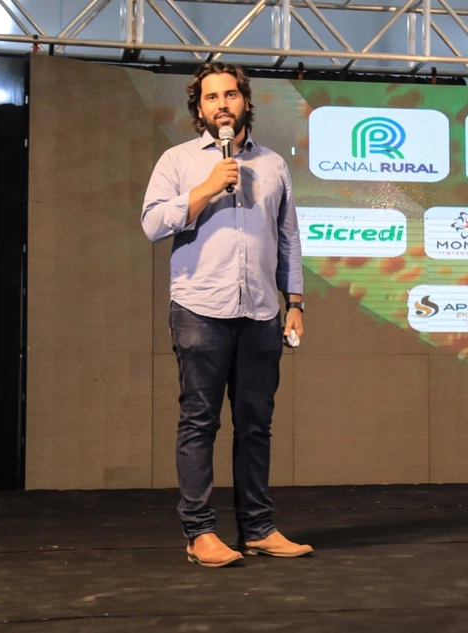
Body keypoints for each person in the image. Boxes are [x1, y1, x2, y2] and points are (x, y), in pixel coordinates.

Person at [141, 62, 312, 567]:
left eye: (231, 95)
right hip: (199, 307)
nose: (222, 104)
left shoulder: (274, 165)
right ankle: (200, 534)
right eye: (212, 97)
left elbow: (288, 239)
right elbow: (152, 223)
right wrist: (207, 187)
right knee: (199, 422)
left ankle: (258, 528)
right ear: (199, 108)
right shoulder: (177, 161)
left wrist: (295, 303)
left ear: (244, 102)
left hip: (260, 310)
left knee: (256, 425)